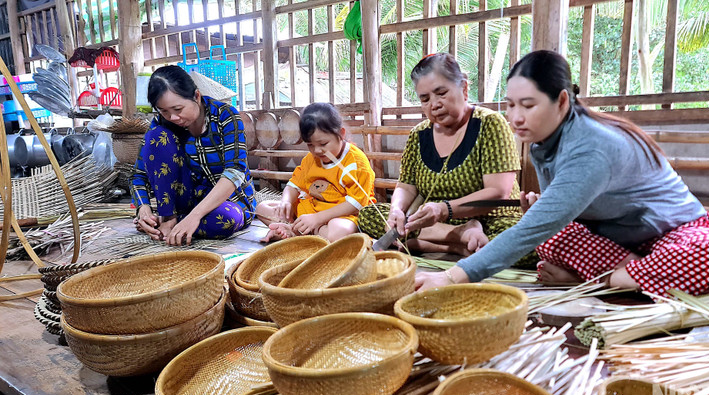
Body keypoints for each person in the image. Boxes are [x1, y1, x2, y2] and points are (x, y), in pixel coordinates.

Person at [417, 50, 709, 296]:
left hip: (672, 237)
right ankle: (641, 276)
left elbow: (531, 228)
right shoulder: (540, 142)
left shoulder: (592, 147)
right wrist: (544, 209)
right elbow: (553, 222)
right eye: (510, 105)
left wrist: (450, 278)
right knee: (548, 238)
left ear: (562, 102)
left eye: (528, 105)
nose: (516, 117)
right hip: (617, 244)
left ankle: (606, 280)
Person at [358, 53, 526, 257]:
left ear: (464, 88)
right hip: (434, 222)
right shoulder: (419, 134)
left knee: (530, 242)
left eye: (441, 93)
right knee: (370, 215)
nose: (434, 104)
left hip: (491, 219)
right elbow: (406, 186)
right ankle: (460, 240)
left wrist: (444, 209)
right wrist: (396, 210)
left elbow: (498, 192)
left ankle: (426, 243)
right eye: (425, 99)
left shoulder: (489, 124)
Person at [131, 65, 257, 245]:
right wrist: (143, 209)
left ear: (196, 96)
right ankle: (168, 218)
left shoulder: (225, 116)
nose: (172, 117)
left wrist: (194, 216)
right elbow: (138, 175)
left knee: (227, 219)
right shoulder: (161, 123)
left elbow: (235, 171)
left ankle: (173, 223)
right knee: (157, 136)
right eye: (164, 111)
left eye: (178, 109)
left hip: (228, 202)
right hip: (185, 200)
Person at [256, 102, 376, 242]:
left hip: (342, 215)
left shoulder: (356, 162)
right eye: (310, 145)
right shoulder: (311, 159)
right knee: (262, 208)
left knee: (339, 232)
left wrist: (317, 219)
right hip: (311, 210)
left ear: (341, 134)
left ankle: (297, 231)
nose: (317, 150)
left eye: (323, 144)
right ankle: (298, 229)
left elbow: (356, 203)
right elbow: (294, 185)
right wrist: (286, 201)